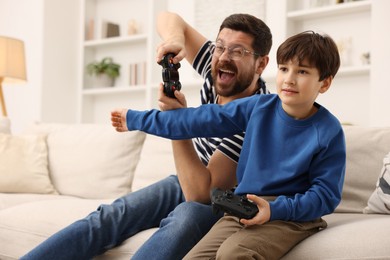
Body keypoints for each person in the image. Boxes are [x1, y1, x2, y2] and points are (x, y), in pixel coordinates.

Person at [21, 12, 272, 260]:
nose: (224, 57)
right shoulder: (217, 65)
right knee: (110, 215)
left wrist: (176, 122)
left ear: (261, 64)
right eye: (220, 47)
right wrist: (175, 39)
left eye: (238, 51)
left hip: (224, 202)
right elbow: (168, 17)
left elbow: (200, 194)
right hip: (186, 180)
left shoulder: (256, 116)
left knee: (186, 216)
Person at [110, 31, 346, 259]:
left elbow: (325, 196)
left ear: (324, 83)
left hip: (293, 216)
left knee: (233, 254)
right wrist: (136, 119)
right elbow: (197, 119)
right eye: (284, 68)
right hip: (244, 207)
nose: (289, 79)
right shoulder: (258, 107)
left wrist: (275, 210)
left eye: (302, 71)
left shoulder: (328, 131)